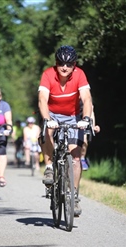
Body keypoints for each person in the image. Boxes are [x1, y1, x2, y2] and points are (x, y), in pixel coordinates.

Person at [38, 45, 93, 216]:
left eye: (69, 64)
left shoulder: (79, 74)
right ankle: (48, 166)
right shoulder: (48, 74)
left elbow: (87, 98)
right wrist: (47, 120)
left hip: (73, 115)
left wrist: (85, 119)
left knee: (75, 158)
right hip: (52, 114)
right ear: (56, 63)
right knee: (47, 133)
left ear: (74, 65)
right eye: (61, 63)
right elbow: (42, 99)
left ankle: (74, 196)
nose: (64, 67)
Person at [79, 100, 101, 170]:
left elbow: (91, 112)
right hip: (69, 118)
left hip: (82, 120)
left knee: (84, 140)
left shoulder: (86, 99)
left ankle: (82, 159)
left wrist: (93, 126)